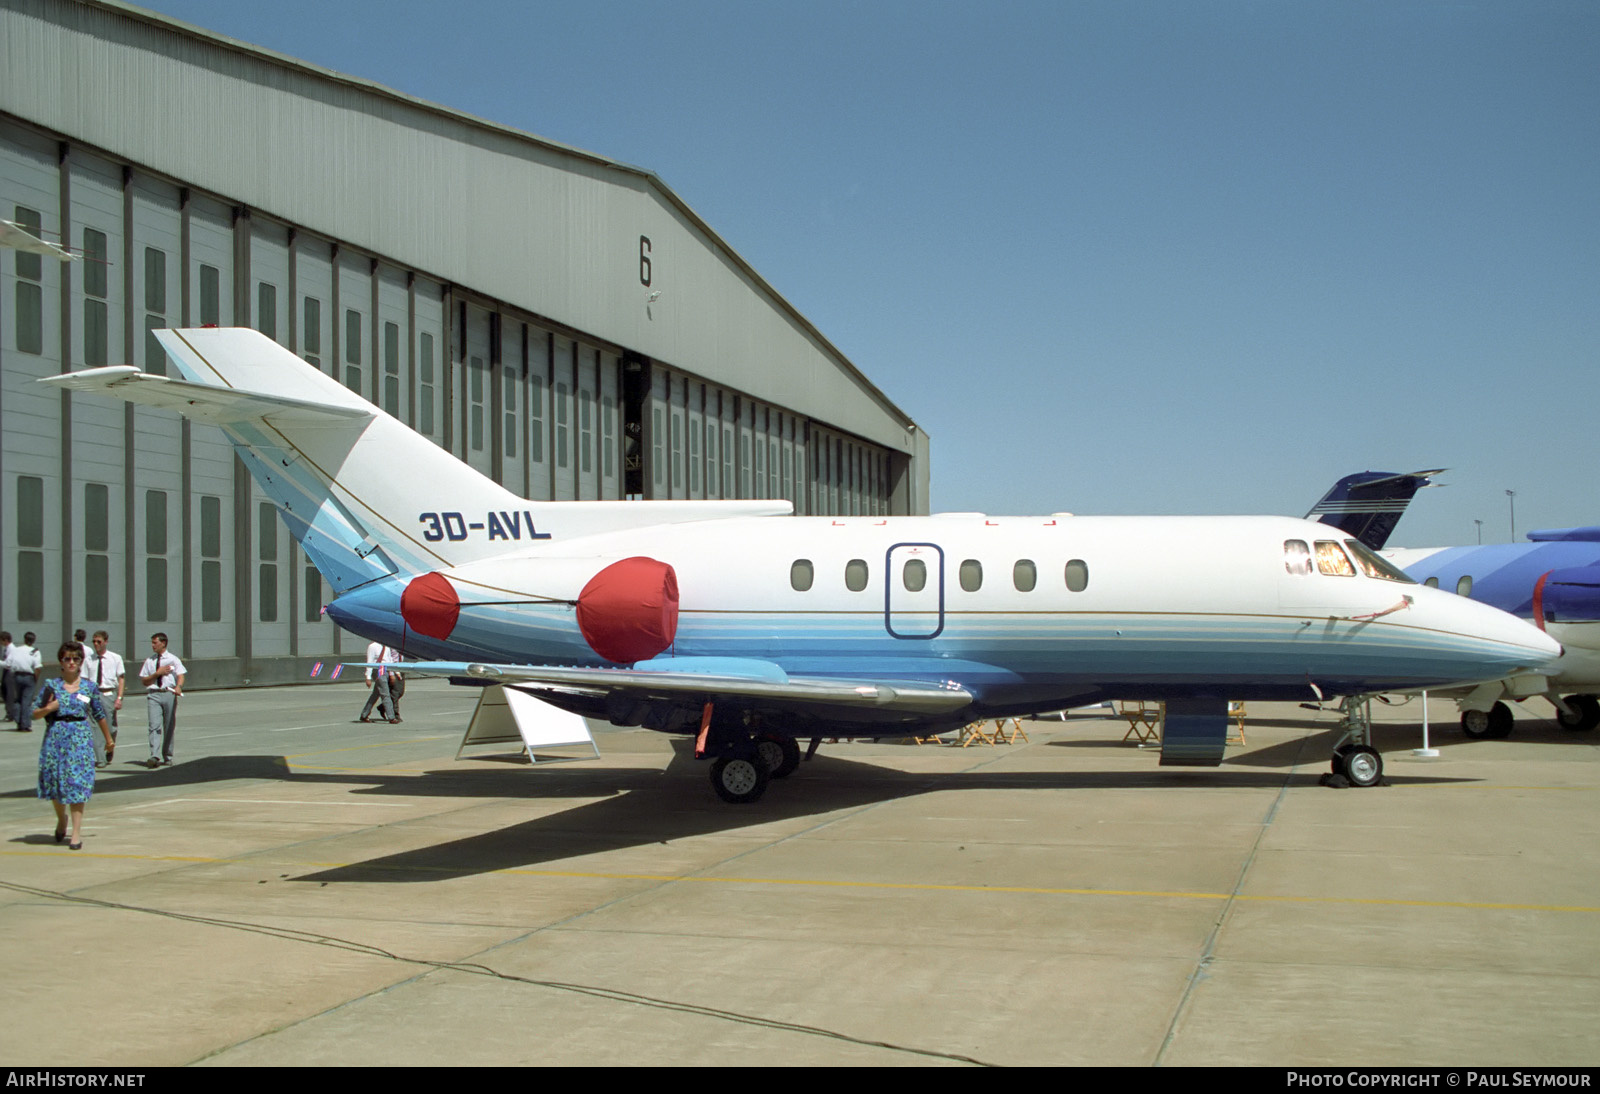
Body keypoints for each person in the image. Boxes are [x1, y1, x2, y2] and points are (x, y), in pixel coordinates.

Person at [34, 641, 113, 850]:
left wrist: (109, 739)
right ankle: (62, 819)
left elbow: (98, 714)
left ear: (80, 662)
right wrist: (50, 707)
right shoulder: (51, 686)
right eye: (67, 658)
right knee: (57, 783)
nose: (71, 662)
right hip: (56, 738)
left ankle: (76, 833)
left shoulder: (88, 687)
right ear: (61, 661)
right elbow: (34, 713)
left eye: (75, 659)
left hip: (79, 738)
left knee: (77, 783)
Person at [139, 632, 185, 768]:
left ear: (163, 643)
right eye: (152, 643)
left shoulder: (173, 659)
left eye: (155, 643)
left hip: (168, 693)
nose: (153, 645)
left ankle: (168, 755)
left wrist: (179, 686)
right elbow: (144, 681)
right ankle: (154, 755)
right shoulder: (150, 661)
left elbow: (181, 675)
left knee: (169, 725)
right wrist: (157, 673)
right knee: (154, 725)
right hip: (154, 694)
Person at [82, 631, 125, 767]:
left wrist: (119, 697)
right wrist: (84, 699)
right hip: (93, 695)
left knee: (111, 727)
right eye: (94, 641)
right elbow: (84, 680)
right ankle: (100, 758)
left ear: (105, 641)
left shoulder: (115, 658)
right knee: (94, 727)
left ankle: (110, 745)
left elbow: (121, 678)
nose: (96, 644)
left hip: (109, 694)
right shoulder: (88, 660)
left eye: (99, 641)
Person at [6, 632, 43, 732]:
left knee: (17, 700)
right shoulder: (35, 651)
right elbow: (37, 667)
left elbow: (8, 664)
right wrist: (35, 679)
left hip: (16, 676)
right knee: (26, 702)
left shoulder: (16, 650)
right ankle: (25, 724)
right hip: (29, 676)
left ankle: (18, 721)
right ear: (33, 641)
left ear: (24, 639)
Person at [359, 641, 401, 724]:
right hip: (378, 670)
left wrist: (392, 673)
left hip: (386, 670)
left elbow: (390, 661)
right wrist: (368, 677)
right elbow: (369, 662)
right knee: (385, 694)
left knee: (376, 694)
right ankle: (391, 717)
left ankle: (364, 714)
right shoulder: (372, 646)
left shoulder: (387, 646)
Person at [2, 630, 14, 724]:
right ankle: (8, 712)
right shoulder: (6, 649)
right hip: (5, 672)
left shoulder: (11, 649)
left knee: (9, 693)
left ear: (5, 640)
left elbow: (8, 664)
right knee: (4, 691)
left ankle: (11, 713)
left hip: (10, 672)